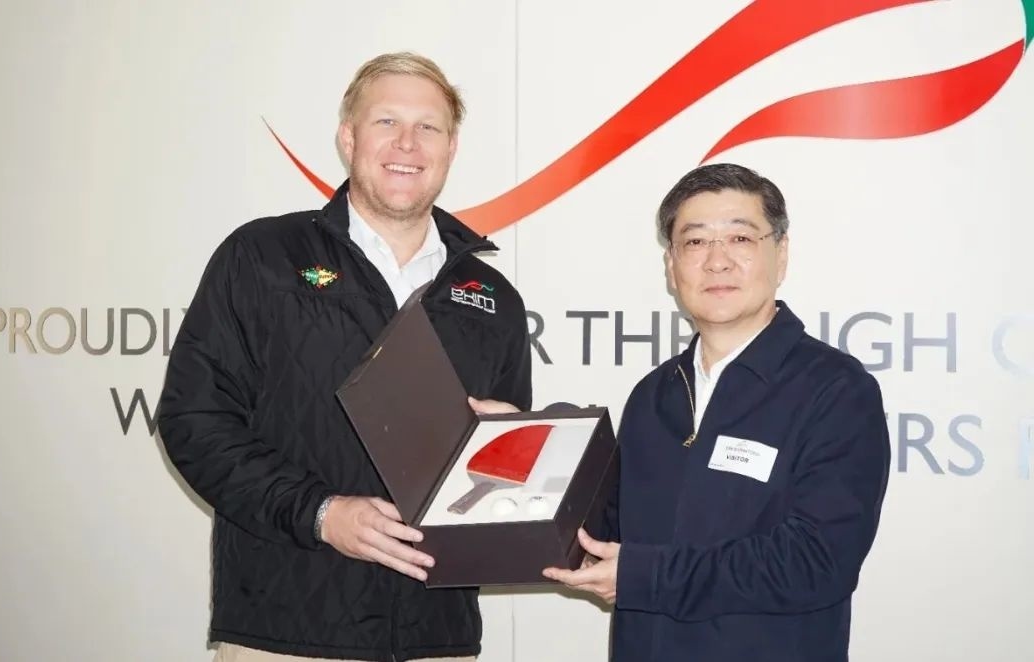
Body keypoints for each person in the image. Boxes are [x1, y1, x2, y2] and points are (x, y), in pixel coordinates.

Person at [158, 52, 531, 662]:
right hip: (285, 631)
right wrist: (320, 513)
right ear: (349, 137)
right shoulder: (262, 257)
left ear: (451, 147)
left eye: (428, 126)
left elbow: (498, 491)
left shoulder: (493, 299)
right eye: (386, 121)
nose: (407, 143)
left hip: (437, 637)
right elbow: (194, 422)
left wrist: (511, 446)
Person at [542, 163, 890, 661]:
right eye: (695, 242)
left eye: (740, 238)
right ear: (671, 266)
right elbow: (606, 533)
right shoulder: (654, 395)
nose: (717, 261)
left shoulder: (836, 390)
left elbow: (817, 561)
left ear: (781, 255)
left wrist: (648, 576)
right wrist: (539, 445)